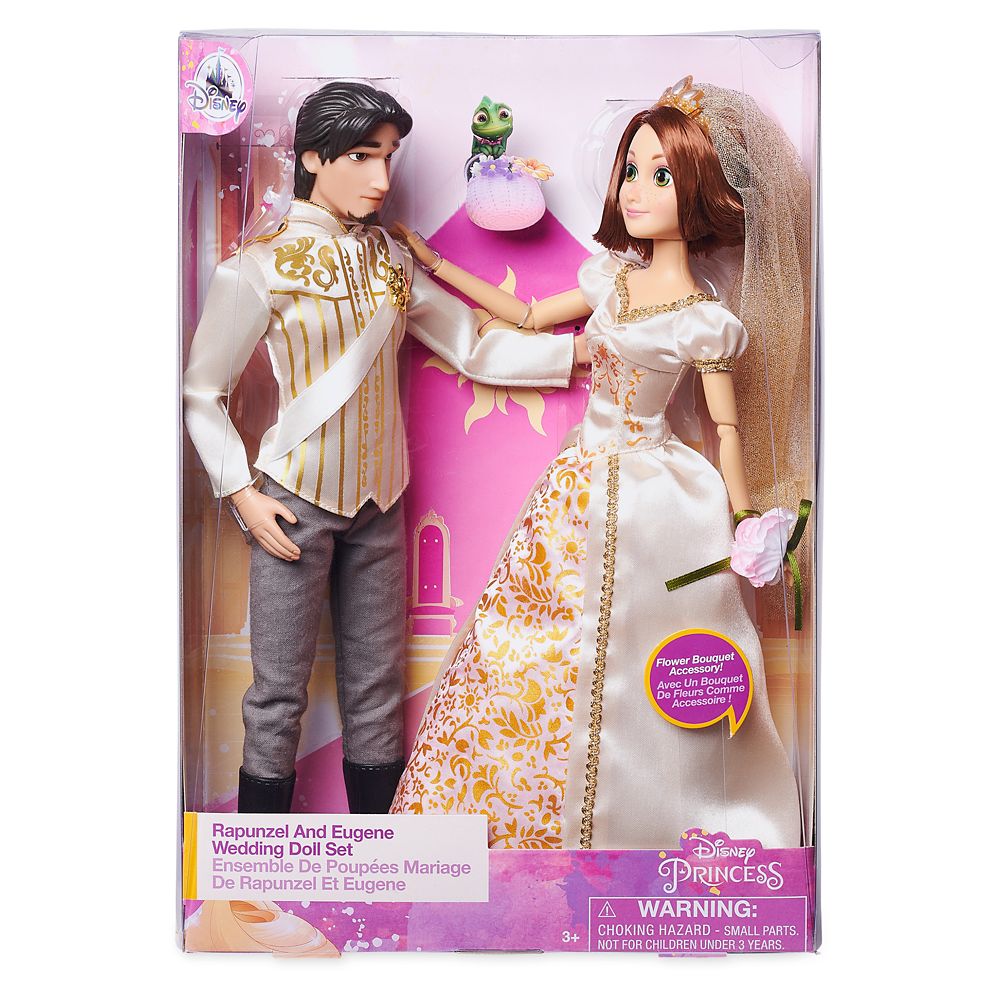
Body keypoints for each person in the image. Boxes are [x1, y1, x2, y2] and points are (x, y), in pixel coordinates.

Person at [390, 78, 811, 849]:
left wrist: (749, 517)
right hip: (578, 482)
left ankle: (662, 823)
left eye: (662, 175)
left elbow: (725, 429)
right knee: (525, 634)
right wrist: (434, 265)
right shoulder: (610, 280)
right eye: (632, 171)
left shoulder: (703, 321)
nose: (638, 190)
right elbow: (525, 316)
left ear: (701, 192)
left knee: (661, 650)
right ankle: (515, 818)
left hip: (662, 496)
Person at [183, 82, 579, 814]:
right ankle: (259, 858)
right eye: (363, 157)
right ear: (312, 158)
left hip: (382, 501)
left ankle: (385, 852)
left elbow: (471, 345)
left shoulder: (391, 262)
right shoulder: (258, 267)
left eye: (389, 157)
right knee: (276, 691)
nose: (381, 178)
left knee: (378, 690)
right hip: (291, 502)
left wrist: (574, 356)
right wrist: (241, 493)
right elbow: (202, 393)